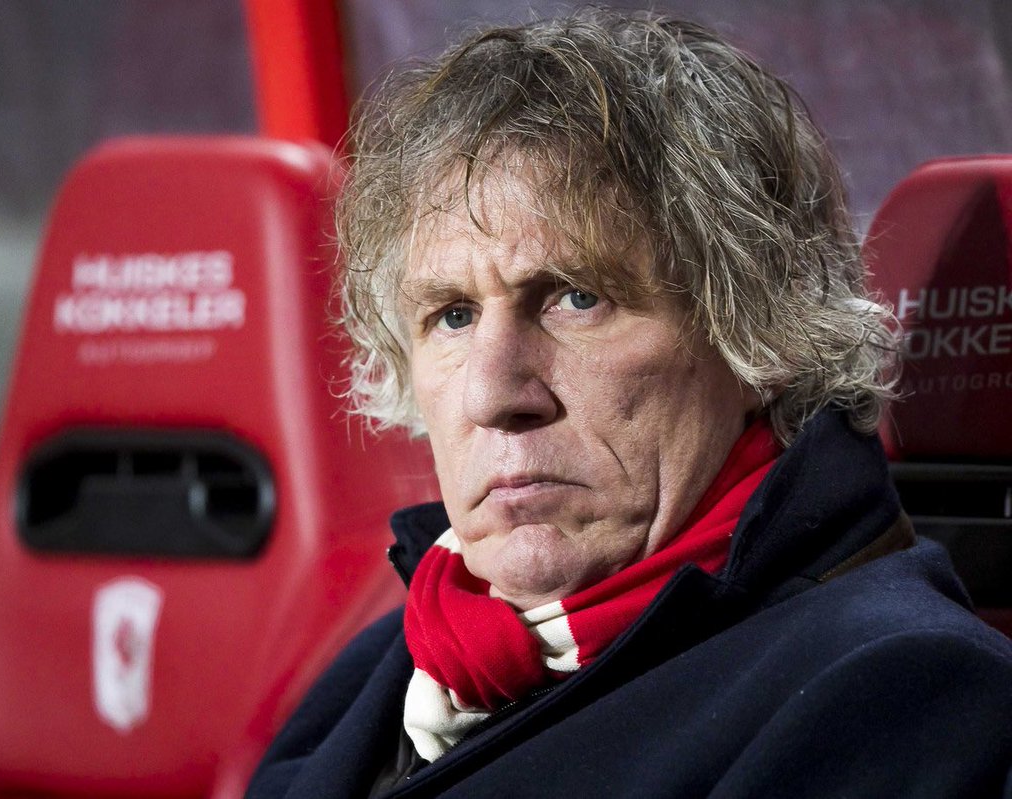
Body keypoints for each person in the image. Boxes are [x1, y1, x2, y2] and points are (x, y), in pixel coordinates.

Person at [246, 10, 1012, 798]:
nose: (491, 394)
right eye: (453, 314)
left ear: (765, 334)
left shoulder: (902, 696)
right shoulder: (383, 663)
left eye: (576, 297)